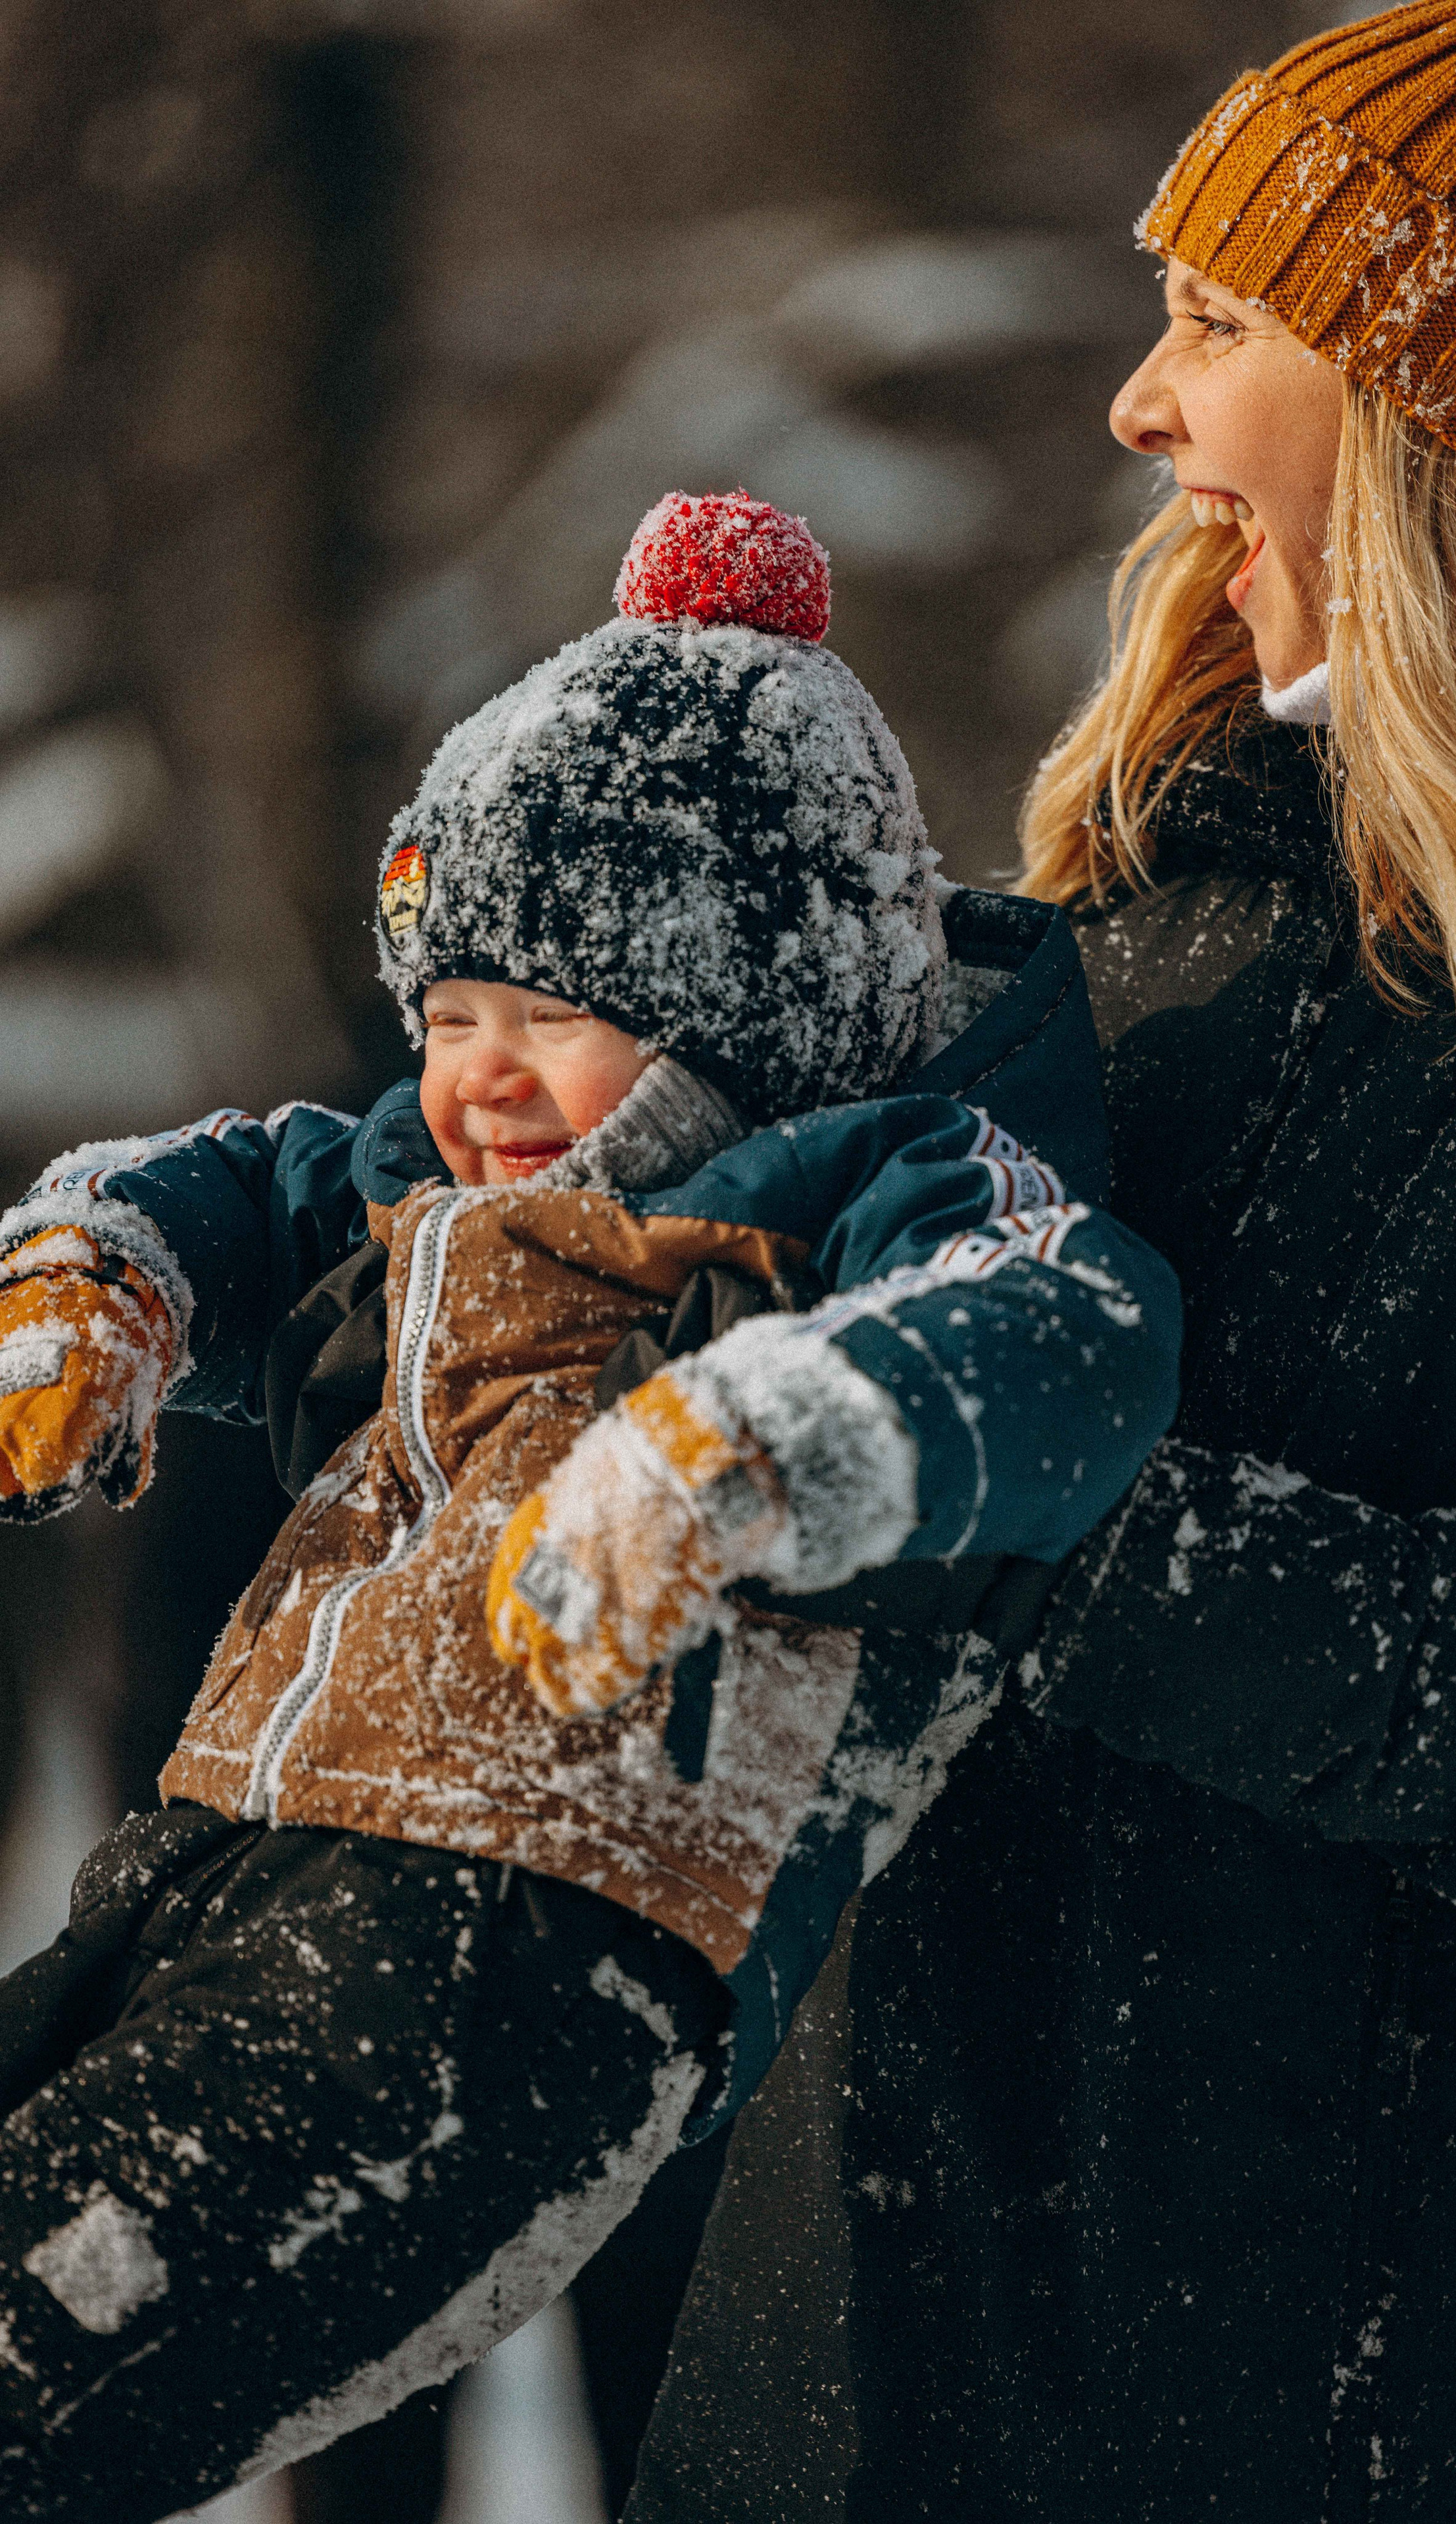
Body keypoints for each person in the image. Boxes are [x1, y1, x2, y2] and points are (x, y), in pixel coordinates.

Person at [610, 3, 1456, 2518]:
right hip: (868, 2340)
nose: (1137, 407)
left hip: (1384, 2391)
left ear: (1448, 432)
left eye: (1219, 325)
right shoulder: (1120, 943)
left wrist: (987, 1487)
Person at [0, 492, 1179, 2521]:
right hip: (252, 1840)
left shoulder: (871, 1196)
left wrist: (758, 1436)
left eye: (552, 1014)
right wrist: (98, 1280)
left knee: (81, 2325)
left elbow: (1066, 1330)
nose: (479, 1077)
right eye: (449, 1014)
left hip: (540, 1918)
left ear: (748, 1011)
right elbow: (242, 1176)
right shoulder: (421, 1186)